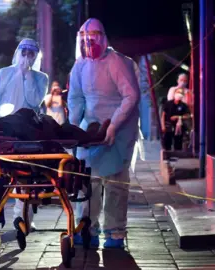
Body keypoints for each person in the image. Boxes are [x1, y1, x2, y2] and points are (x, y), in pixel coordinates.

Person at [68, 18, 140, 249]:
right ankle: (86, 227)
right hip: (92, 131)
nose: (88, 44)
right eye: (84, 39)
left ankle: (115, 232)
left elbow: (131, 96)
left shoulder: (117, 62)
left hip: (119, 130)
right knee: (88, 182)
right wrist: (73, 127)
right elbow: (76, 97)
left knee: (116, 183)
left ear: (102, 37)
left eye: (92, 39)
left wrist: (113, 125)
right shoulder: (80, 66)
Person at [0, 38, 49, 236]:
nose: (26, 57)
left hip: (28, 132)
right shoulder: (3, 73)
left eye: (31, 53)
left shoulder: (41, 78)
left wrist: (27, 77)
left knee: (26, 175)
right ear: (17, 52)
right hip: (4, 130)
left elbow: (35, 100)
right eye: (23, 52)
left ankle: (23, 217)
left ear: (36, 56)